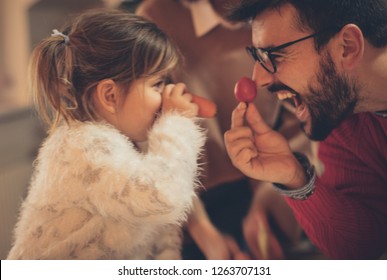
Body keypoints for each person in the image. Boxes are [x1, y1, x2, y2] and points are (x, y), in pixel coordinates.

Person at [6, 8, 206, 260]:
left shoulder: (128, 142)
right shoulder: (82, 146)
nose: (168, 94)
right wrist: (178, 121)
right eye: (158, 84)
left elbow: (160, 225)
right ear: (110, 95)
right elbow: (162, 198)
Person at [136, 0, 316, 260]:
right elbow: (149, 139)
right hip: (189, 203)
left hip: (266, 184)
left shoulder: (280, 13)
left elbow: (296, 121)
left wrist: (269, 197)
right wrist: (204, 232)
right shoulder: (157, 16)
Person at [224, 0, 387, 259]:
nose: (258, 79)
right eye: (257, 56)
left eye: (273, 55)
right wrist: (294, 178)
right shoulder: (342, 119)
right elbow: (364, 248)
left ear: (348, 46)